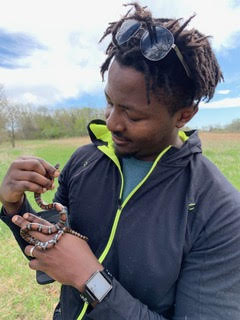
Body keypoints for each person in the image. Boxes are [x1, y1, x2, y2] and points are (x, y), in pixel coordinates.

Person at [1, 3, 240, 319]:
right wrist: (15, 207)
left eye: (132, 114)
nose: (111, 122)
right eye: (110, 102)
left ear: (184, 115)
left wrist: (91, 281)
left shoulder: (220, 212)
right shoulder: (85, 161)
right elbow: (51, 255)